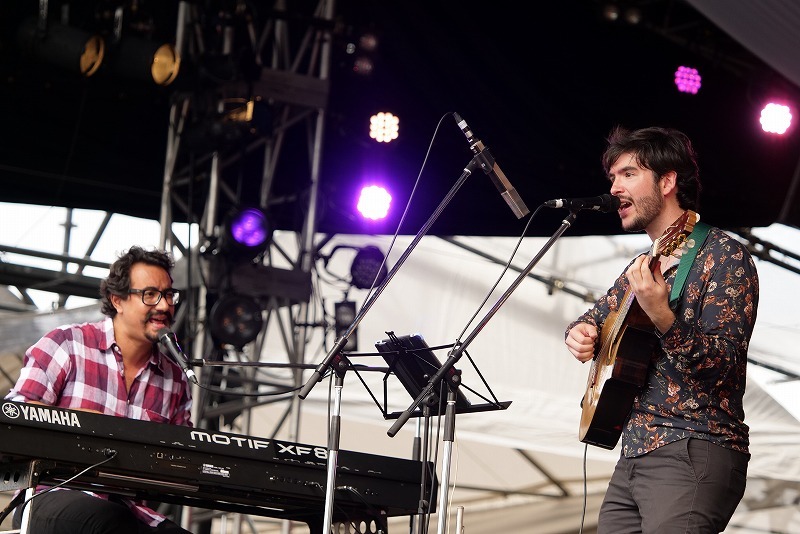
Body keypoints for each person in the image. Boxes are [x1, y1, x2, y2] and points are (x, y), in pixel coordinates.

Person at [564, 126, 759, 533]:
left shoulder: (723, 256)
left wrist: (663, 316)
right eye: (613, 177)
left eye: (628, 174)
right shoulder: (641, 265)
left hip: (693, 448)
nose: (615, 187)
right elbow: (596, 317)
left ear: (667, 181)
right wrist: (581, 332)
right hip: (633, 454)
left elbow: (722, 367)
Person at [6, 246, 194, 534]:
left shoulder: (175, 378)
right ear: (117, 300)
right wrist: (76, 424)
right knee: (110, 523)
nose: (164, 306)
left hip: (130, 511)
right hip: (49, 496)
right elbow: (14, 419)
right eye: (150, 295)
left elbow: (183, 460)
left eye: (169, 295)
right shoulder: (67, 344)